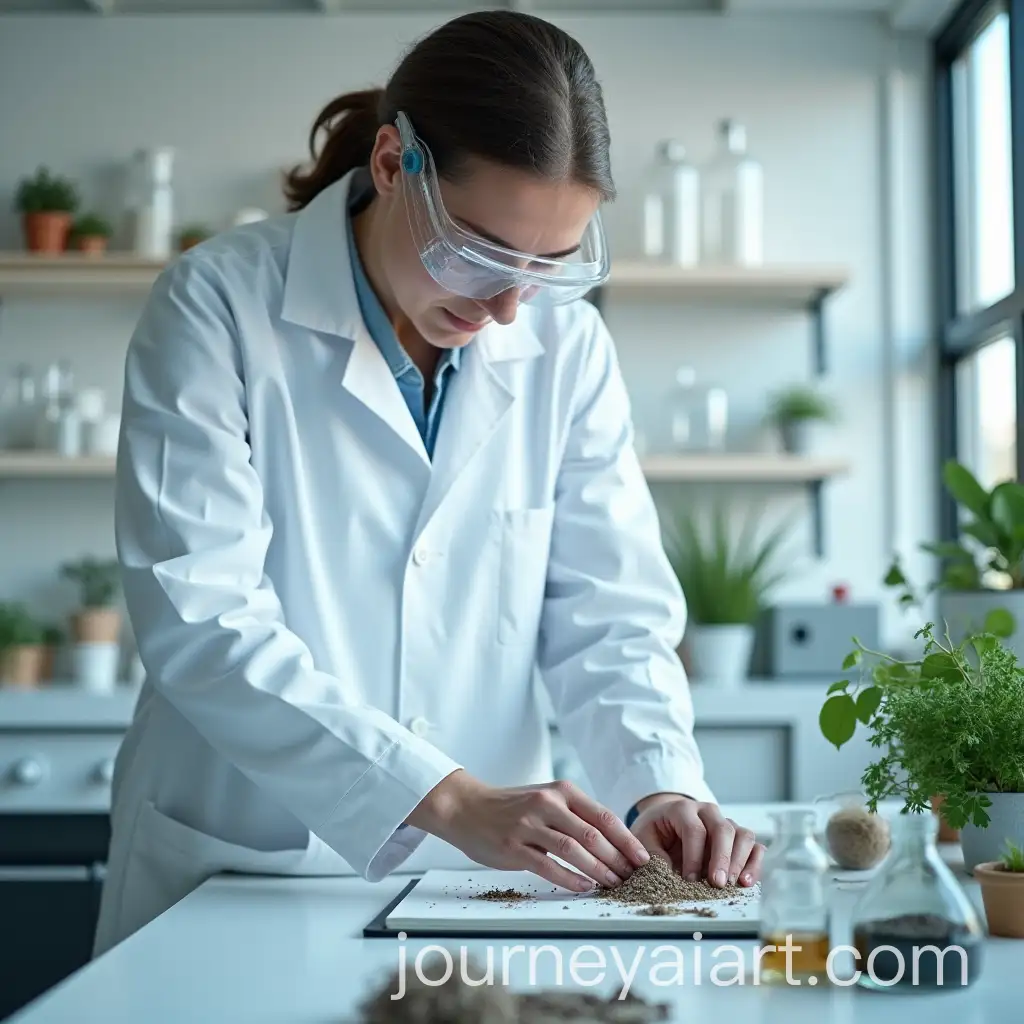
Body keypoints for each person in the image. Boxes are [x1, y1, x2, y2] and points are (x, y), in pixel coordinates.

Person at [93, 9, 765, 958]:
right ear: (389, 165)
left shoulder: (564, 347)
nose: (505, 307)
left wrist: (661, 782)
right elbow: (201, 618)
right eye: (482, 253)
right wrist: (442, 796)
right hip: (241, 862)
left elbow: (607, 615)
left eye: (547, 265)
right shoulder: (218, 305)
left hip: (481, 886)